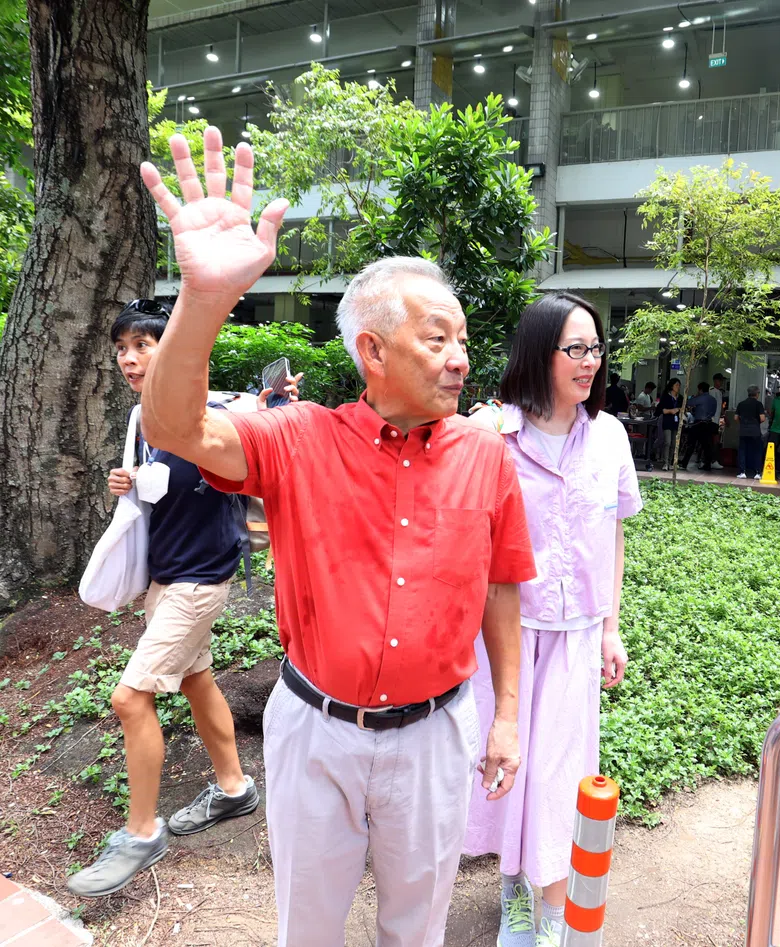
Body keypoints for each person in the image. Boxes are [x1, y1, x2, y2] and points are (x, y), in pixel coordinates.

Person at [136, 128, 535, 945]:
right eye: (437, 339)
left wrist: (507, 717)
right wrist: (203, 297)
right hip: (316, 730)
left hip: (434, 735)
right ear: (372, 350)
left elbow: (501, 585)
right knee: (307, 929)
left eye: (462, 340)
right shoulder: (300, 438)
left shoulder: (487, 455)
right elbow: (175, 427)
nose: (461, 358)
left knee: (414, 930)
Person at [67, 301, 299, 898]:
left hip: (201, 578)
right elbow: (161, 486)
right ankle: (233, 788)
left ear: (175, 348)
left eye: (143, 345)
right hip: (165, 574)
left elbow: (258, 426)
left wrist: (277, 404)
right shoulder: (142, 418)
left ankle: (142, 834)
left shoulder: (213, 407)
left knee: (128, 698)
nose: (128, 358)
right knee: (197, 681)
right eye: (122, 347)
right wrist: (128, 482)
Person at [462, 293, 640, 947]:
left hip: (576, 635)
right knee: (507, 766)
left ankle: (551, 906)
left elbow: (613, 535)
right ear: (540, 353)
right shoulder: (492, 435)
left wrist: (612, 625)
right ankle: (512, 890)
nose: (590, 361)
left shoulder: (610, 436)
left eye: (595, 348)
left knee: (559, 773)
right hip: (506, 636)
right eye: (576, 348)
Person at [681, 382, 718, 471]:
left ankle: (684, 463)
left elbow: (689, 402)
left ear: (700, 389)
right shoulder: (713, 400)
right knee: (707, 446)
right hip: (708, 423)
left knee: (691, 444)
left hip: (698, 423)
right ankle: (707, 464)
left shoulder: (700, 398)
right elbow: (713, 412)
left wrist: (695, 396)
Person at [735, 385, 767, 480]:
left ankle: (742, 472)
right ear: (757, 394)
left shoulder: (741, 404)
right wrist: (756, 422)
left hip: (743, 430)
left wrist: (742, 423)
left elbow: (736, 418)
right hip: (755, 431)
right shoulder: (759, 404)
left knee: (742, 451)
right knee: (757, 451)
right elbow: (762, 418)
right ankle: (757, 473)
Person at [658, 378, 682, 470]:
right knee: (667, 441)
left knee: (673, 443)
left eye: (679, 385)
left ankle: (671, 462)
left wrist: (679, 410)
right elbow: (662, 410)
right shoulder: (666, 397)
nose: (678, 387)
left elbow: (684, 408)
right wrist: (671, 411)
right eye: (676, 385)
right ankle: (665, 462)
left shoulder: (680, 398)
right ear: (671, 386)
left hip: (676, 422)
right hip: (667, 421)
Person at [708, 373, 729, 469]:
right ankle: (713, 460)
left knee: (710, 441)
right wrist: (725, 417)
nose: (721, 383)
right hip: (713, 420)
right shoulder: (715, 392)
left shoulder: (713, 391)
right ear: (716, 381)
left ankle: (707, 460)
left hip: (712, 420)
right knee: (715, 441)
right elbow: (720, 407)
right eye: (721, 381)